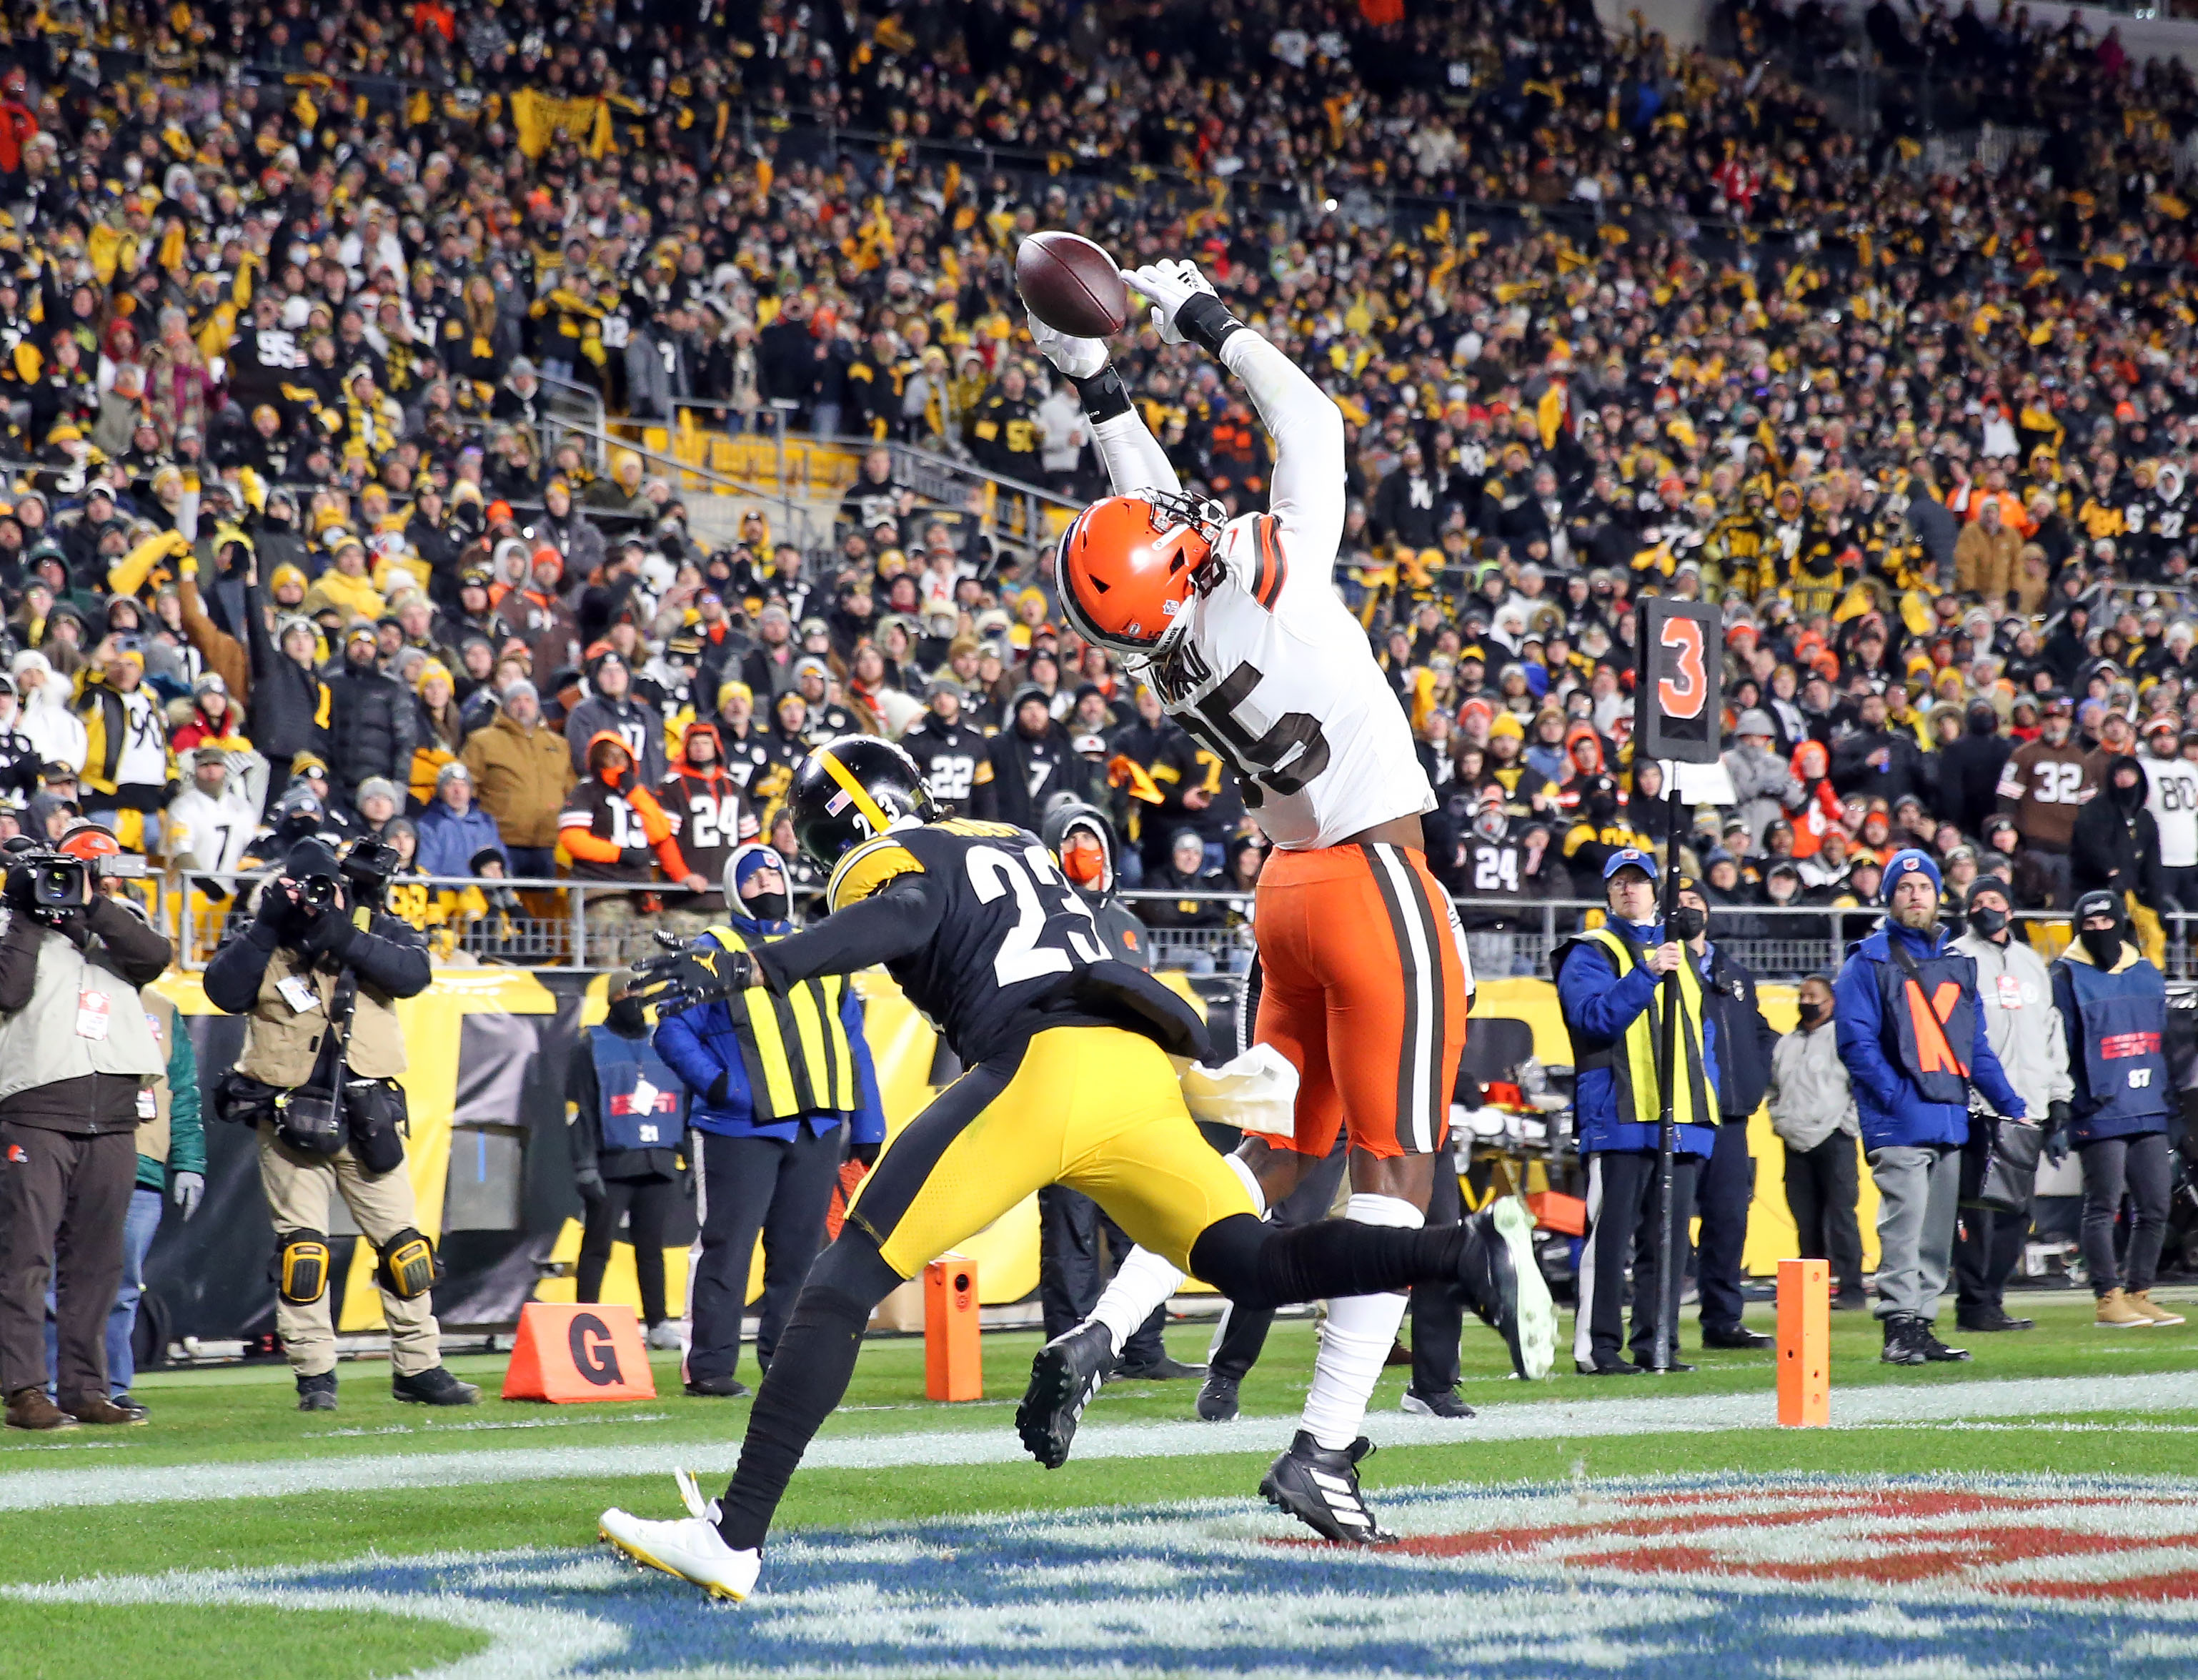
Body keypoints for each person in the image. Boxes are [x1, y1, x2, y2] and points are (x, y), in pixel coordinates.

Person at [599, 737, 1541, 1598]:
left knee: (843, 1280)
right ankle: (1459, 1250)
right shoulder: (1004, 832)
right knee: (1256, 1260)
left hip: (1041, 1065)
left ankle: (734, 1531)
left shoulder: (896, 857)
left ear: (840, 828)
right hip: (1132, 1069)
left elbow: (911, 907)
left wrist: (757, 964)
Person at [1027, 258, 1531, 1543]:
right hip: (1370, 875)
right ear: (1190, 563)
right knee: (1398, 1174)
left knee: (1272, 1156)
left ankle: (1101, 1328)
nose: (1191, 517)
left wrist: (1095, 380)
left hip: (1287, 893)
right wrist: (1201, 310)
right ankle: (1327, 1445)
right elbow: (1315, 426)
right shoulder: (1261, 578)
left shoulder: (1171, 637)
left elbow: (1141, 514)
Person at [202, 836, 479, 1411]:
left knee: (406, 1247)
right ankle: (315, 1376)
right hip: (286, 1110)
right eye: (307, 887)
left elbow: (412, 973)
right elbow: (223, 990)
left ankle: (419, 1366)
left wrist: (344, 933)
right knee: (303, 1250)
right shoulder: (265, 935)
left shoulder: (377, 925)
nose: (316, 898)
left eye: (327, 887)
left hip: (368, 1105)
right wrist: (266, 926)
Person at [651, 843, 886, 1398]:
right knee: (727, 1248)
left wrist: (869, 1122)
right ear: (734, 890)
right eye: (752, 876)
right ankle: (709, 1366)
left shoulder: (821, 948)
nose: (766, 880)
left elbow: (852, 1039)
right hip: (740, 1127)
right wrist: (721, 1086)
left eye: (773, 871)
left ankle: (786, 1363)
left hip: (816, 1126)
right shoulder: (715, 948)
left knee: (801, 1254)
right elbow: (670, 1028)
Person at [0, 825, 173, 1428]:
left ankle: (84, 1386)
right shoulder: (13, 925)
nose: (78, 880)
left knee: (98, 1263)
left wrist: (88, 906)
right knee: (25, 1256)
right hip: (37, 1107)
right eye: (73, 869)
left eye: (94, 871)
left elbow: (154, 958)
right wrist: (24, 908)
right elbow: (9, 989)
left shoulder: (114, 921)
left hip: (116, 1113)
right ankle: (24, 1389)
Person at [1832, 849, 2027, 1367]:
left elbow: (1975, 1046)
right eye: (1904, 887)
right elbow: (1855, 1042)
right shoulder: (1866, 960)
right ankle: (1899, 1325)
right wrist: (1896, 1097)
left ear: (1939, 894)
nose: (1915, 894)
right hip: (1900, 1119)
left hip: (1949, 1116)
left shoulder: (1956, 963)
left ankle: (1920, 1325)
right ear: (1889, 896)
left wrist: (2010, 1102)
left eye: (1923, 886)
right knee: (1905, 1224)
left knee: (1936, 1231)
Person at [1028, 801, 1196, 1380]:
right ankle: (1071, 1355)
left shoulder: (1130, 923)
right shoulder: (1038, 920)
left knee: (1143, 1225)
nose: (1083, 850)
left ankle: (1143, 1347)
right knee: (1071, 1233)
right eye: (1071, 839)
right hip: (1067, 1094)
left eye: (1091, 837)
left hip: (1131, 1096)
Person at [41, 838, 203, 1413]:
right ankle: (55, 1386)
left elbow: (181, 1091)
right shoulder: (71, 989)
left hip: (146, 1164)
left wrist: (190, 1162)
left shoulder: (162, 1008)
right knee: (63, 1280)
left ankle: (110, 1386)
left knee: (123, 1285)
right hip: (78, 1147)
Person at [1554, 848, 1719, 1376]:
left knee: (1668, 1244)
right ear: (1607, 893)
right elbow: (1592, 1019)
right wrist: (1646, 973)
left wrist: (1704, 1112)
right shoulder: (1590, 951)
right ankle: (1597, 1348)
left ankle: (1658, 1342)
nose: (1630, 889)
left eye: (1639, 881)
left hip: (1680, 1118)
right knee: (1609, 1240)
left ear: (1655, 891)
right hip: (1620, 1114)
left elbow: (1703, 1035)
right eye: (1620, 882)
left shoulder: (1684, 954)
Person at [2049, 891, 2185, 1329]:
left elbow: (2164, 1041)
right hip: (2099, 1108)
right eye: (2090, 926)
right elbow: (2061, 1044)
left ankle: (2139, 1292)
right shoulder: (2066, 975)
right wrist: (2067, 1103)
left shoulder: (2146, 973)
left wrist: (2172, 1103)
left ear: (2122, 923)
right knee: (2102, 1205)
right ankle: (2107, 1297)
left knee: (2156, 1205)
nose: (2100, 931)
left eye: (2108, 922)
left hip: (2148, 1104)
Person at [1949, 875, 2071, 1334]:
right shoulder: (1957, 957)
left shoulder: (2031, 963)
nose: (1986, 908)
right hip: (1980, 1105)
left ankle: (1991, 1299)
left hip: (2030, 1106)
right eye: (1977, 901)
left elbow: (2050, 1032)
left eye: (1994, 900)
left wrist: (2059, 1098)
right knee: (1979, 1209)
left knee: (2018, 1212)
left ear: (2011, 910)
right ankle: (1974, 1302)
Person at [1674, 876, 1778, 1351]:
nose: (1688, 909)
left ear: (1709, 912)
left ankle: (1723, 1319)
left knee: (1729, 1219)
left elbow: (1761, 1032)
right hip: (1685, 1114)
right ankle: (1661, 1323)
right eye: (1679, 903)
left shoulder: (1735, 973)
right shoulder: (1664, 967)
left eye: (1695, 901)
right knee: (1670, 1223)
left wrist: (1753, 1082)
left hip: (1731, 1118)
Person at [567, 976, 687, 1351]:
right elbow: (579, 1109)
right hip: (612, 1162)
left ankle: (657, 1323)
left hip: (660, 1159)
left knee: (652, 1246)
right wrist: (585, 1165)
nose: (635, 1001)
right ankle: (585, 1320)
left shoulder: (665, 1039)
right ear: (612, 999)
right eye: (627, 994)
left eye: (640, 994)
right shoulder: (590, 1045)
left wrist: (685, 1158)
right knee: (597, 1244)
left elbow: (686, 1100)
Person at [1768, 973, 1865, 1310]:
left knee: (1840, 1216)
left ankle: (1852, 1290)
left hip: (1834, 1138)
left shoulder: (1843, 1038)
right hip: (1795, 1140)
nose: (1806, 1002)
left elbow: (1859, 1088)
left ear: (1831, 1002)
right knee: (1805, 1219)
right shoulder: (1786, 1043)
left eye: (1814, 997)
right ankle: (1810, 1291)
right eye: (1803, 996)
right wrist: (1780, 1120)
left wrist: (1845, 1125)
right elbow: (1774, 1088)